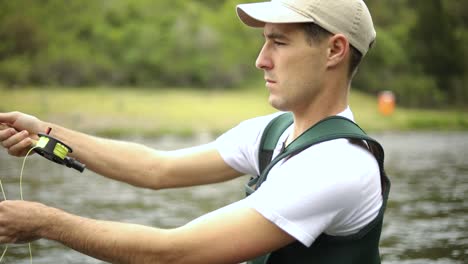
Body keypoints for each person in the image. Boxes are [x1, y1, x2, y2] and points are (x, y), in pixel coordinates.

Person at [0, 0, 390, 263]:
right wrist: (45, 132)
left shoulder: (336, 166)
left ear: (335, 51)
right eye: (263, 41)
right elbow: (157, 169)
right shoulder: (273, 132)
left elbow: (174, 253)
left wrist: (45, 223)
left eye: (279, 42)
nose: (261, 60)